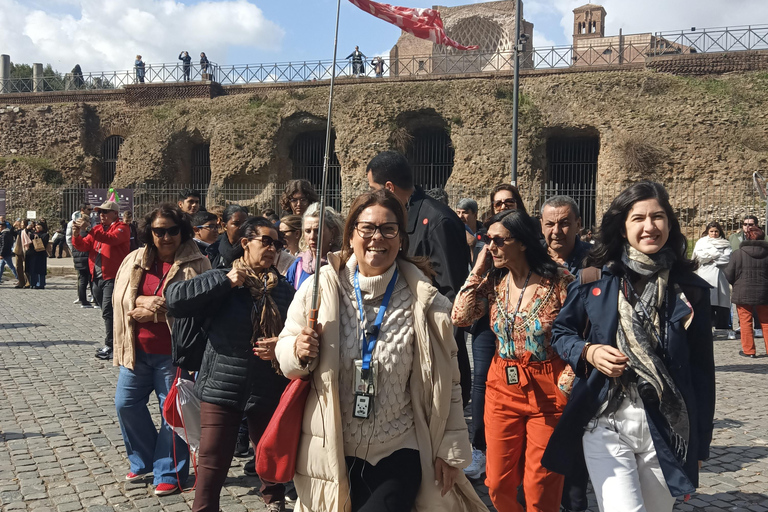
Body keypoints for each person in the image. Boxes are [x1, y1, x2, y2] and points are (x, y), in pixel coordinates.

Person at [275, 189, 487, 512]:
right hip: (331, 448)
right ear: (351, 233)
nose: (378, 238)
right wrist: (298, 350)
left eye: (389, 229)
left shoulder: (425, 301)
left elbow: (450, 381)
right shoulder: (320, 289)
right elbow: (285, 351)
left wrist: (451, 448)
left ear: (401, 238)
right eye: (367, 228)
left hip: (398, 450)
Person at [543, 181, 715, 512]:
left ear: (669, 223)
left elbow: (702, 374)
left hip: (666, 425)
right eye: (638, 218)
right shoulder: (594, 278)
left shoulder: (691, 290)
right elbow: (562, 331)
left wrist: (700, 445)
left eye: (658, 217)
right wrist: (588, 351)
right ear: (623, 227)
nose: (649, 226)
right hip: (605, 419)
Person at [166, 217, 295, 512]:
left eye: (277, 243)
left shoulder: (283, 289)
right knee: (212, 459)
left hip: (267, 384)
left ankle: (274, 500)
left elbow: (294, 331)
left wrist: (280, 345)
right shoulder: (223, 277)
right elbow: (174, 299)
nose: (273, 248)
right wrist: (224, 282)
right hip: (221, 385)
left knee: (269, 450)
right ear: (246, 243)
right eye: (266, 241)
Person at [452, 209, 575, 511]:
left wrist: (569, 380)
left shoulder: (559, 280)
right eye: (487, 239)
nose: (490, 246)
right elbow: (460, 316)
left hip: (548, 388)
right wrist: (478, 267)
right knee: (496, 482)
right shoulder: (494, 282)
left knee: (540, 484)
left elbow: (586, 330)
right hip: (502, 386)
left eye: (497, 240)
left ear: (521, 243)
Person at [112, 204, 210, 496]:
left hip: (173, 354)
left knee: (172, 414)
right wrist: (140, 301)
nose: (166, 237)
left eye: (172, 230)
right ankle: (143, 460)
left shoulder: (199, 263)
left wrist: (154, 313)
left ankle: (169, 470)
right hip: (136, 350)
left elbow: (201, 305)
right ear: (149, 233)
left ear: (181, 231)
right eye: (159, 231)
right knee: (125, 404)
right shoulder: (134, 260)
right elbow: (119, 298)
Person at [367, 151, 472, 407]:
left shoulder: (438, 221)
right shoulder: (396, 219)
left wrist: (443, 352)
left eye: (373, 188)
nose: (372, 196)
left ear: (389, 187)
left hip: (431, 349)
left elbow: (453, 296)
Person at [72, 200, 131, 360]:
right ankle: (114, 343)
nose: (101, 215)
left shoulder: (122, 228)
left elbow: (111, 239)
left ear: (115, 214)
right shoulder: (97, 230)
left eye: (105, 212)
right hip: (97, 276)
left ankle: (112, 346)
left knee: (108, 311)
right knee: (105, 311)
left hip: (113, 277)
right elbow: (84, 246)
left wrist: (89, 229)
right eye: (99, 212)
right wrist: (76, 235)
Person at [725, 226, 768, 358]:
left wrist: (736, 283)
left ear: (747, 237)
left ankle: (749, 351)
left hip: (742, 290)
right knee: (766, 322)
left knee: (745, 321)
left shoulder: (738, 253)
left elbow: (728, 273)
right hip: (764, 291)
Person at [285, 202, 343, 290]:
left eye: (318, 231)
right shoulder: (298, 266)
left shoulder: (342, 265)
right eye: (308, 231)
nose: (312, 237)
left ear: (332, 232)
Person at [693, 222, 732, 331]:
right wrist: (714, 257)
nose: (714, 233)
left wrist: (712, 260)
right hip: (705, 274)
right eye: (711, 231)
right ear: (707, 232)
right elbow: (699, 257)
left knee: (721, 301)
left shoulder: (725, 243)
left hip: (720, 274)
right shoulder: (701, 243)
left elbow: (727, 258)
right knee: (707, 300)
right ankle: (706, 326)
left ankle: (722, 326)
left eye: (716, 231)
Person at [540, 195, 591, 275]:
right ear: (541, 226)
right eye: (550, 224)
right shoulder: (530, 258)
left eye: (564, 224)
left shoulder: (595, 259)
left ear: (578, 225)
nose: (556, 231)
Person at [68, 204, 94, 307]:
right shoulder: (86, 234)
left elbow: (71, 241)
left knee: (82, 280)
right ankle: (91, 298)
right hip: (85, 259)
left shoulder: (77, 234)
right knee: (89, 279)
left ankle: (82, 299)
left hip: (78, 258)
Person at [28, 220, 50, 289]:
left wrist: (37, 239)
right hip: (33, 254)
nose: (37, 227)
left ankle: (40, 284)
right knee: (33, 269)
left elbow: (44, 244)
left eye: (39, 225)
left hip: (41, 254)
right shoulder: (32, 234)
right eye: (36, 225)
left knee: (40, 269)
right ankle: (33, 283)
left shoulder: (45, 235)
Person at [13, 220, 29, 288]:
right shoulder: (19, 231)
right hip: (18, 250)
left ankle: (28, 282)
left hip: (26, 250)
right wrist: (13, 226)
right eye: (21, 223)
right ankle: (21, 282)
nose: (22, 224)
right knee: (18, 267)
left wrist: (23, 229)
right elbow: (12, 233)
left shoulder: (27, 230)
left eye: (23, 223)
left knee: (27, 267)